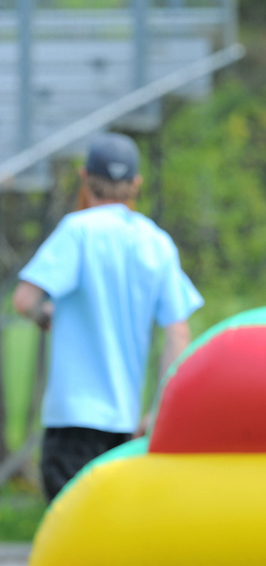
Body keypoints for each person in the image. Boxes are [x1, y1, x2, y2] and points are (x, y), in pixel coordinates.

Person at [12, 132, 203, 503]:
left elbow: (24, 299)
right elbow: (178, 332)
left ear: (84, 177)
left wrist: (43, 313)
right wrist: (158, 407)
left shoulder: (78, 231)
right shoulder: (156, 242)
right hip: (125, 424)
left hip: (72, 418)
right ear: (136, 184)